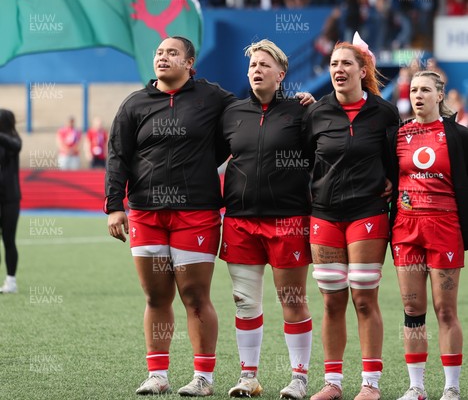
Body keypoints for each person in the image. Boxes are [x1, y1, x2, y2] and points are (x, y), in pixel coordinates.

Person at [106, 36, 237, 396]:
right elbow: (118, 155)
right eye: (159, 53)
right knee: (155, 297)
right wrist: (115, 205)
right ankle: (158, 374)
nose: (163, 58)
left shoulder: (212, 98)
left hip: (196, 212)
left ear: (190, 63)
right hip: (146, 213)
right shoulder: (134, 104)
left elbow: (251, 113)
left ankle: (203, 378)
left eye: (172, 53)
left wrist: (296, 102)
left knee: (195, 296)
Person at [303, 33, 399, 400]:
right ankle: (333, 383)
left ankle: (370, 385)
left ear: (363, 70)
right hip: (324, 215)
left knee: (363, 297)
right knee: (331, 300)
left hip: (367, 213)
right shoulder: (316, 113)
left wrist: (390, 179)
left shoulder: (384, 112)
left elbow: (395, 160)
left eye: (346, 63)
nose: (338, 70)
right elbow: (302, 160)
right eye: (333, 65)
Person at [219, 40, 313, 400]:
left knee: (292, 299)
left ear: (281, 74)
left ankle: (299, 378)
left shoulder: (301, 112)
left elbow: (323, 154)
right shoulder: (232, 114)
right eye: (253, 64)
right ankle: (248, 377)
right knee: (244, 301)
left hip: (288, 220)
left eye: (264, 65)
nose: (256, 69)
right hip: (241, 221)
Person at [389, 71, 468, 400]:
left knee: (445, 310)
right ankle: (416, 387)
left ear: (440, 96)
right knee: (412, 310)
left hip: (445, 227)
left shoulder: (459, 136)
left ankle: (451, 386)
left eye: (425, 90)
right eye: (414, 89)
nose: (418, 95)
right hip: (406, 229)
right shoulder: (398, 135)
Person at [0, 109, 22, 294]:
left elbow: (15, 146)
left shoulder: (13, 141)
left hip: (10, 199)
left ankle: (11, 281)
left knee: (9, 240)